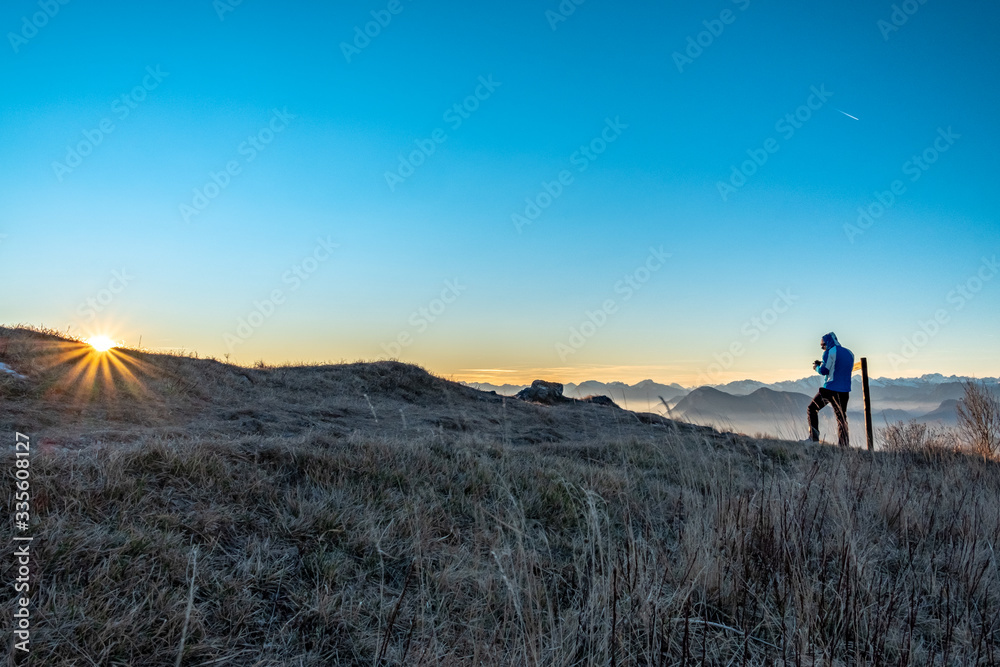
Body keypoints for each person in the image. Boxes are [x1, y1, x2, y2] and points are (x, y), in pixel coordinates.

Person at [807, 332, 854, 447]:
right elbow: (839, 368)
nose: (822, 347)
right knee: (841, 418)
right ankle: (844, 445)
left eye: (822, 345)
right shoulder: (850, 353)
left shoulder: (830, 352)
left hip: (830, 389)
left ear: (828, 342)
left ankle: (813, 439)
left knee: (812, 409)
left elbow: (824, 371)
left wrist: (816, 367)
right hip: (845, 391)